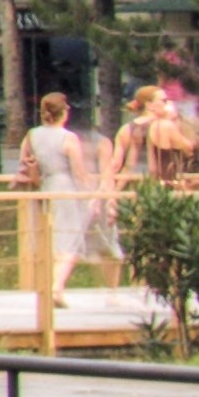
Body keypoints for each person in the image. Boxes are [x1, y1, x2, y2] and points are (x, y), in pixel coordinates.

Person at [24, 89, 121, 298]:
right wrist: (94, 193)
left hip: (47, 186)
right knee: (70, 238)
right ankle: (56, 287)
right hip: (65, 187)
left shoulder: (32, 135)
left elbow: (28, 164)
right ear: (65, 112)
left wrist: (36, 176)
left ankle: (52, 285)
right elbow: (79, 173)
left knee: (53, 235)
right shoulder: (68, 138)